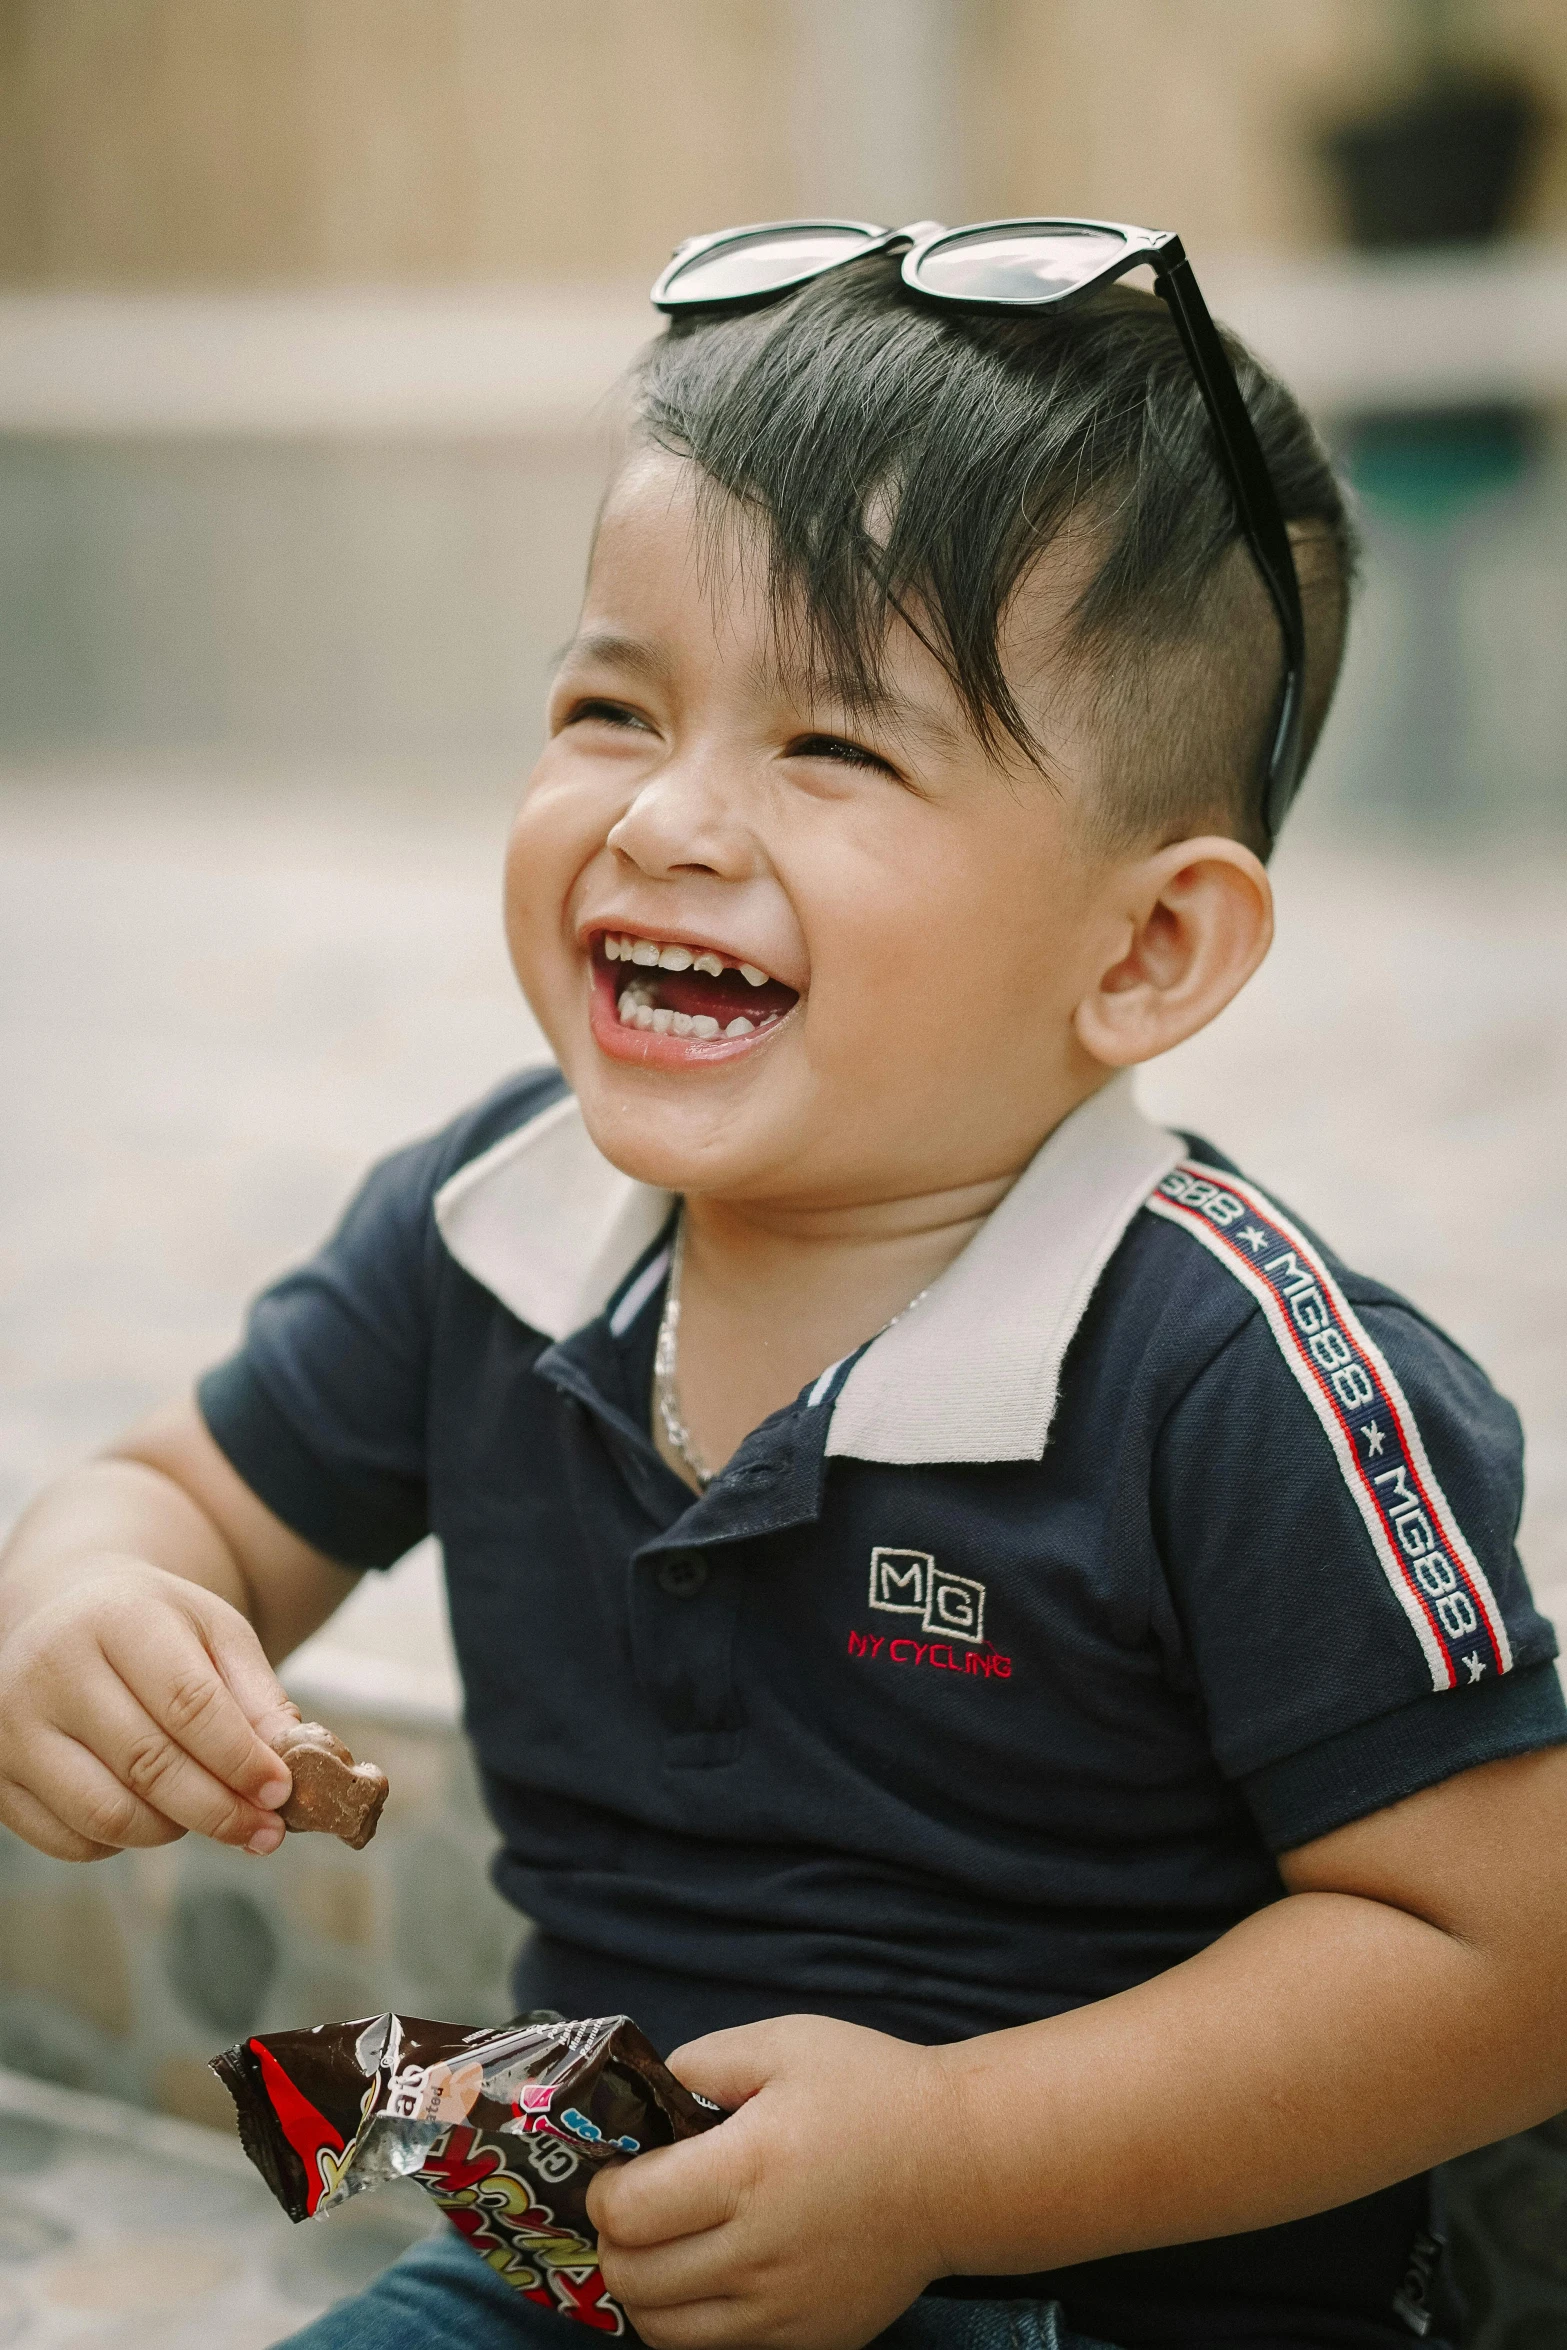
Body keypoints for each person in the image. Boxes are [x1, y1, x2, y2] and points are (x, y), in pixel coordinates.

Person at [2, 224, 1565, 2350]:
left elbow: (1509, 1951)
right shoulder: (495, 1225)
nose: (660, 814)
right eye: (608, 705)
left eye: (832, 749)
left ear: (1144, 951)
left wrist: (950, 2157)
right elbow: (181, 1496)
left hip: (1115, 2300)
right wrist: (89, 1603)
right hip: (592, 2245)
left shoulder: (1238, 1369)